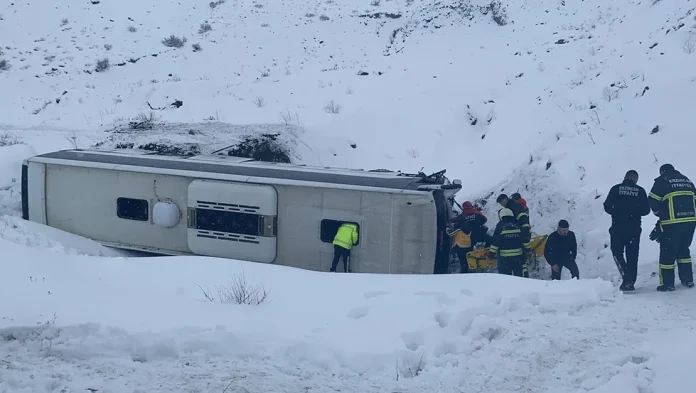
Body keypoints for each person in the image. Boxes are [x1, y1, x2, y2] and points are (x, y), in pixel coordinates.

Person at [648, 164, 696, 291]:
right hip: (690, 222)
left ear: (663, 172)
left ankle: (668, 284)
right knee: (683, 250)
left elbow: (652, 201)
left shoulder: (663, 181)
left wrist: (659, 214)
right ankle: (688, 280)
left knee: (667, 252)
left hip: (672, 223)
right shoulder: (687, 181)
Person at [603, 170, 651, 291]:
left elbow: (607, 206)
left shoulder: (616, 189)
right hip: (634, 228)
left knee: (616, 252)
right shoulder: (640, 191)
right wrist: (634, 211)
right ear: (636, 179)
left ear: (625, 177)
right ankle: (630, 281)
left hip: (617, 227)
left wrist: (618, 211)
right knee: (633, 255)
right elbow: (646, 210)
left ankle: (626, 278)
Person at [488, 208, 531, 277]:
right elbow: (525, 240)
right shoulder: (518, 226)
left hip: (504, 259)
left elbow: (495, 242)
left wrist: (491, 254)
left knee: (505, 278)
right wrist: (528, 250)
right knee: (519, 277)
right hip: (518, 257)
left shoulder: (500, 227)